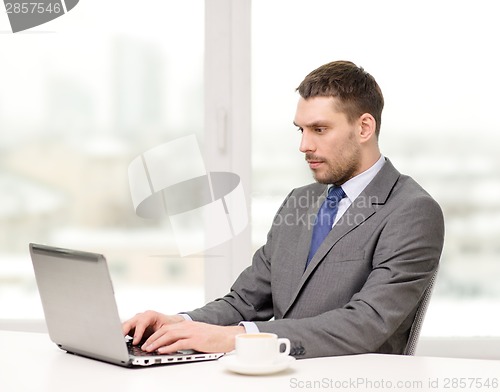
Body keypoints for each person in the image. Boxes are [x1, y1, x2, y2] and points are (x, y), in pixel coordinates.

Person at [122, 60, 445, 359]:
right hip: (279, 376)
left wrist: (236, 339)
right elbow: (248, 300)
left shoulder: (412, 211)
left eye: (319, 130)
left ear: (363, 128)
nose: (304, 146)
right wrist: (177, 323)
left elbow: (364, 324)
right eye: (300, 130)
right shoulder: (299, 200)